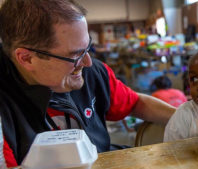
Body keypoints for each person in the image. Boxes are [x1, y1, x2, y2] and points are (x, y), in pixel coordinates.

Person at [0, 1, 176, 167]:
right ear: (27, 58)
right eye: (76, 54)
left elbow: (136, 103)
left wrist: (188, 119)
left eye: (87, 47)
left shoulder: (93, 74)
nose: (88, 62)